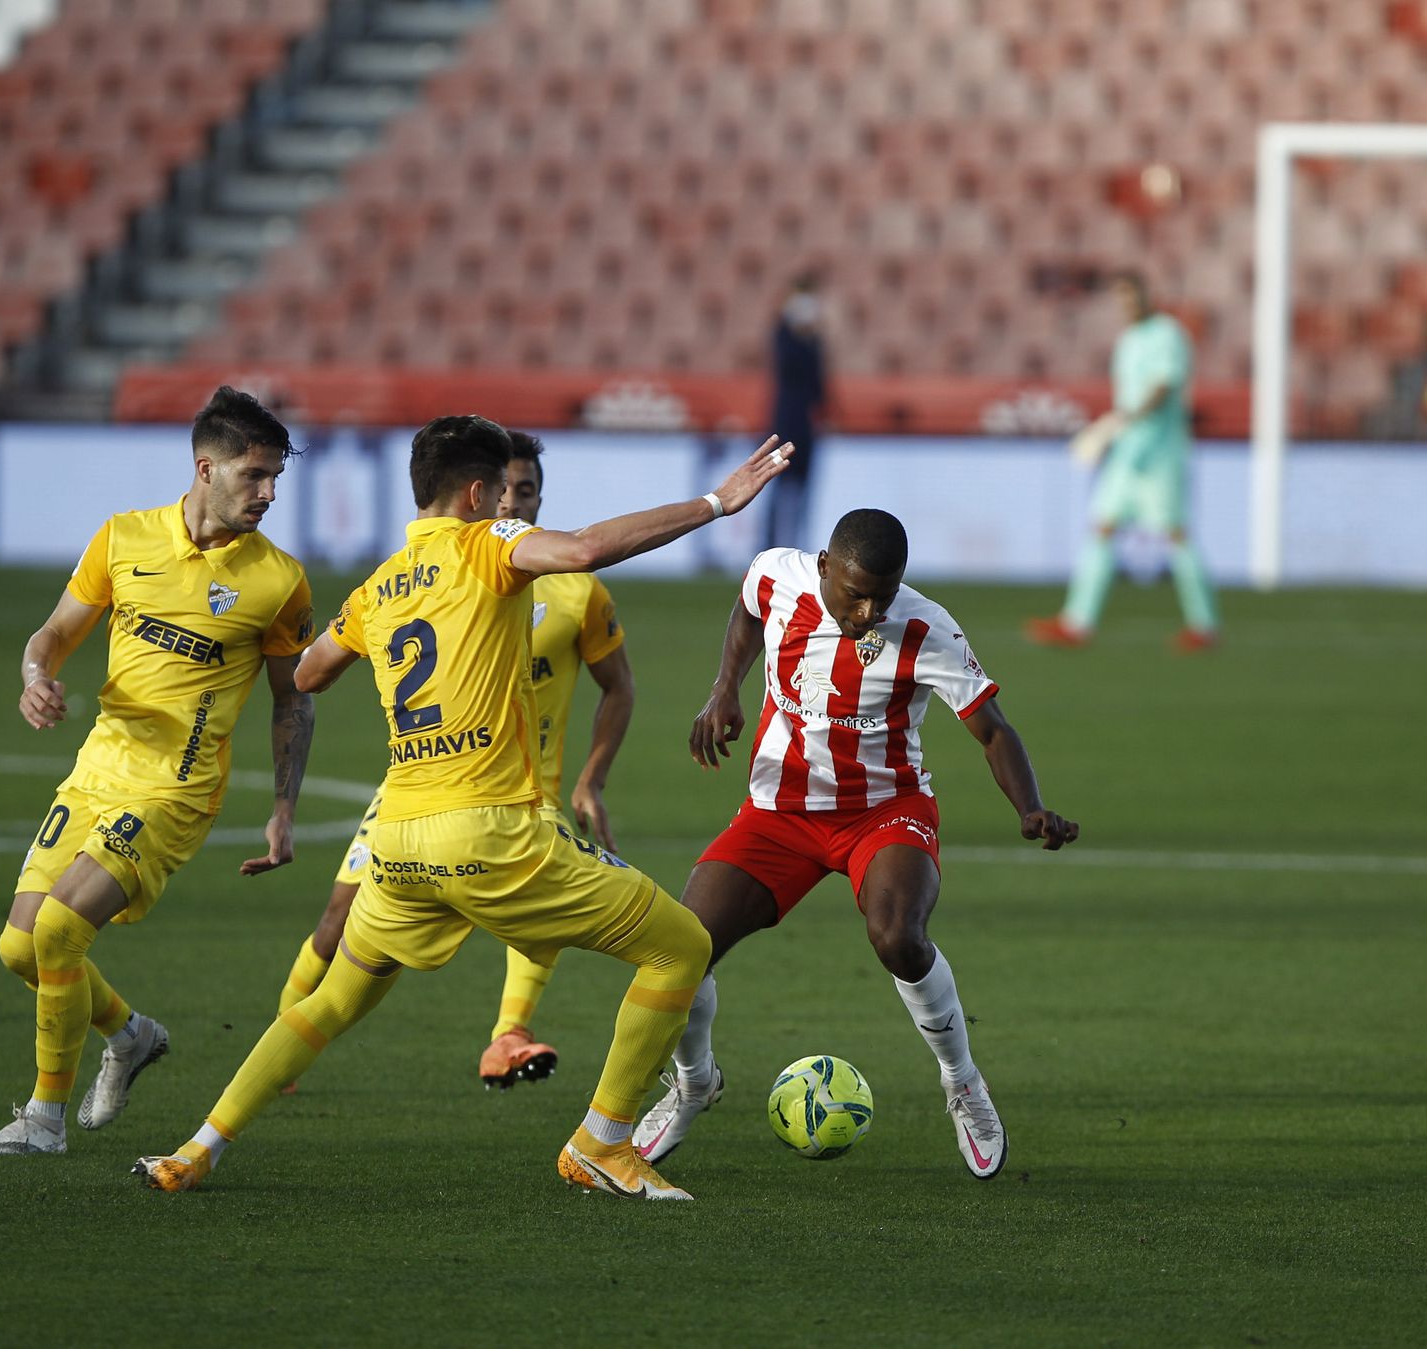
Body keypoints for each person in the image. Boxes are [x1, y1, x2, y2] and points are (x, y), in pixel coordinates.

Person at [134, 416, 792, 1201]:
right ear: (479, 494)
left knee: (335, 997)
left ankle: (197, 1148)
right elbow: (585, 548)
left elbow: (307, 673)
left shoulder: (380, 583)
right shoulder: (489, 545)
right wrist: (716, 502)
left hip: (398, 842)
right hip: (490, 832)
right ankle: (603, 1142)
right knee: (681, 945)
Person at [632, 508, 1078, 1180]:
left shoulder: (926, 628)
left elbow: (993, 729)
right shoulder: (778, 575)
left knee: (898, 936)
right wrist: (725, 688)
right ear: (824, 566)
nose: (869, 612)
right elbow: (748, 608)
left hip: (884, 811)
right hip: (779, 811)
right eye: (856, 594)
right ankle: (695, 1083)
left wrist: (1031, 807)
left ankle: (962, 1081)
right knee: (681, 947)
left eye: (884, 596)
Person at [0, 386, 317, 1157]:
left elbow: (293, 700)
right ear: (206, 468)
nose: (269, 492)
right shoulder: (124, 538)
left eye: (275, 478)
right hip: (98, 769)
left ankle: (44, 1119)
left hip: (176, 790)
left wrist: (283, 807)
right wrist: (35, 675)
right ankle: (130, 1036)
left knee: (60, 929)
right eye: (255, 474)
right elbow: (54, 632)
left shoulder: (278, 580)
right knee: (20, 949)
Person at [273, 431, 637, 1090]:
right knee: (337, 922)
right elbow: (314, 670)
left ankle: (509, 1035)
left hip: (525, 787)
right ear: (480, 494)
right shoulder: (446, 573)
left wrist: (593, 777)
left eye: (525, 491)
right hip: (423, 787)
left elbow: (619, 686)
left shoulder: (578, 593)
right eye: (504, 489)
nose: (512, 501)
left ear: (539, 499)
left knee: (537, 925)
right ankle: (283, 1039)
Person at [1027, 270, 1219, 651]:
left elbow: (1164, 387)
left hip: (1160, 455)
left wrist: (1124, 419)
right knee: (1102, 527)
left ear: (1147, 295)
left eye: (1131, 297)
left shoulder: (1167, 334)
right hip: (1127, 455)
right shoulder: (1129, 340)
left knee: (1176, 534)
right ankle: (1077, 622)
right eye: (1120, 300)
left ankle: (1204, 625)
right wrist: (1116, 428)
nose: (1126, 306)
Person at [765, 273, 829, 550]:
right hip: (786, 425)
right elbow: (788, 365)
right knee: (780, 489)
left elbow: (818, 386)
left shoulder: (814, 341)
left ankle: (797, 546)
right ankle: (773, 546)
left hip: (807, 428)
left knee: (802, 492)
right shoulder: (785, 337)